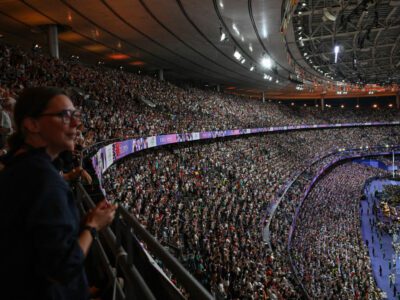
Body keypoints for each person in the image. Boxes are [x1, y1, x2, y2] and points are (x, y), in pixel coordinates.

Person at [0, 87, 117, 300]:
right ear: (32, 124)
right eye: (64, 116)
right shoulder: (44, 180)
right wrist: (93, 227)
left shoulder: (22, 166)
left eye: (76, 116)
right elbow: (61, 268)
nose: (76, 124)